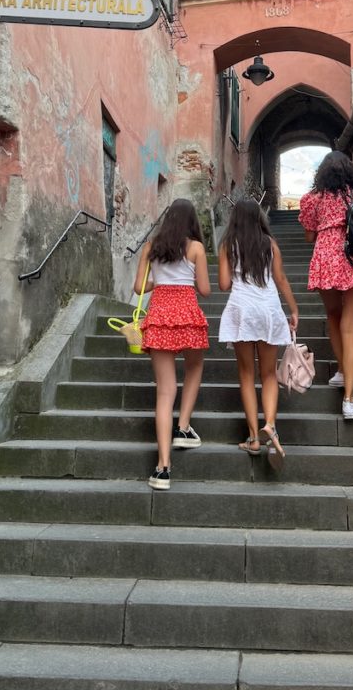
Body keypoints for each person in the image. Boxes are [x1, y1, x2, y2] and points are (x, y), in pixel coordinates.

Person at [299, 151, 353, 420]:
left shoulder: (313, 199)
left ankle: (343, 371)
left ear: (322, 173)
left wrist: (327, 229)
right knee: (352, 327)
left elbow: (309, 236)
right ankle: (348, 399)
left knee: (334, 315)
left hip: (327, 258)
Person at [135, 199, 211, 490]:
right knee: (194, 367)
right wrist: (185, 277)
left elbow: (138, 287)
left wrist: (161, 278)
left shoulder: (151, 247)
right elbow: (204, 290)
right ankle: (183, 427)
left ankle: (162, 468)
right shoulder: (195, 248)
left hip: (159, 314)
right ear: (191, 221)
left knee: (165, 392)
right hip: (187, 313)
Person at [218, 199, 299, 468]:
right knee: (268, 374)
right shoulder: (270, 245)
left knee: (246, 375)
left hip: (242, 310)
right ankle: (271, 426)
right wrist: (294, 309)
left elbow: (223, 284)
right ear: (259, 218)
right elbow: (281, 280)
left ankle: (253, 437)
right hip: (268, 310)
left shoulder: (228, 246)